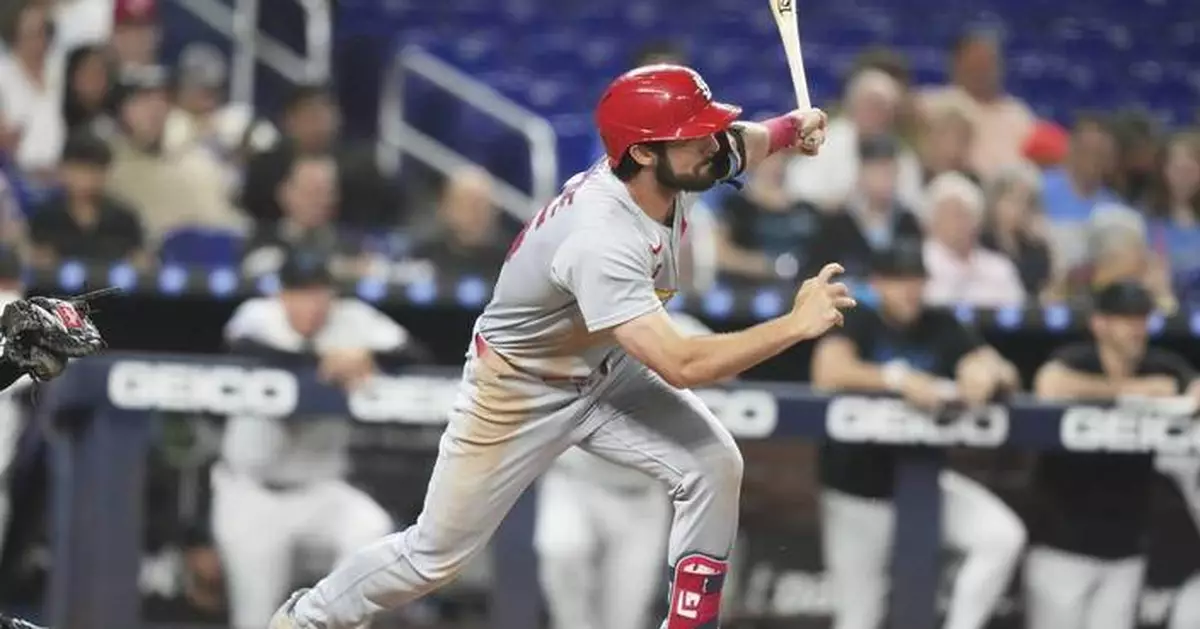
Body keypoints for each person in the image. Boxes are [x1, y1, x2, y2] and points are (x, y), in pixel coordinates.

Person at [268, 63, 850, 629]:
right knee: (432, 557)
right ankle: (307, 618)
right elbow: (682, 363)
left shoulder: (669, 166)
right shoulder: (602, 237)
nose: (711, 142)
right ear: (644, 152)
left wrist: (789, 131)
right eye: (694, 134)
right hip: (518, 390)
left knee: (714, 463)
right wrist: (793, 326)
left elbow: (736, 145)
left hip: (602, 368)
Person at [810, 240, 1026, 629]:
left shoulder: (940, 323)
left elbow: (1001, 369)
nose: (909, 289)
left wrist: (989, 374)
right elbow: (827, 372)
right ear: (878, 284)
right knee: (859, 616)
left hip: (923, 481)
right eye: (897, 280)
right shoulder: (860, 318)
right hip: (857, 490)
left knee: (1001, 536)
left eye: (916, 280)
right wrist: (897, 378)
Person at [213, 249, 410, 629]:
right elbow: (246, 351)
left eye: (318, 291)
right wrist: (327, 361)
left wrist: (367, 357)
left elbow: (411, 352)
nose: (311, 303)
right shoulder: (258, 315)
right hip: (251, 495)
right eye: (300, 291)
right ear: (282, 295)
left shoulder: (353, 320)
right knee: (254, 618)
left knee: (371, 529)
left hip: (321, 492)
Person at [1025, 281, 1200, 629]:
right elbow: (1048, 384)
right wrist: (1135, 391)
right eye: (1126, 319)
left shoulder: (1161, 364)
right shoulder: (1077, 359)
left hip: (1125, 554)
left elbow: (1194, 387)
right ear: (1100, 324)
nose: (1137, 328)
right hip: (1063, 550)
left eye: (1142, 319)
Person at [535, 312, 713, 629]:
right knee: (561, 553)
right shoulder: (575, 322)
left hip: (641, 496)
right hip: (574, 479)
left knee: (623, 619)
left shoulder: (676, 327)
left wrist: (685, 368)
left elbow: (726, 368)